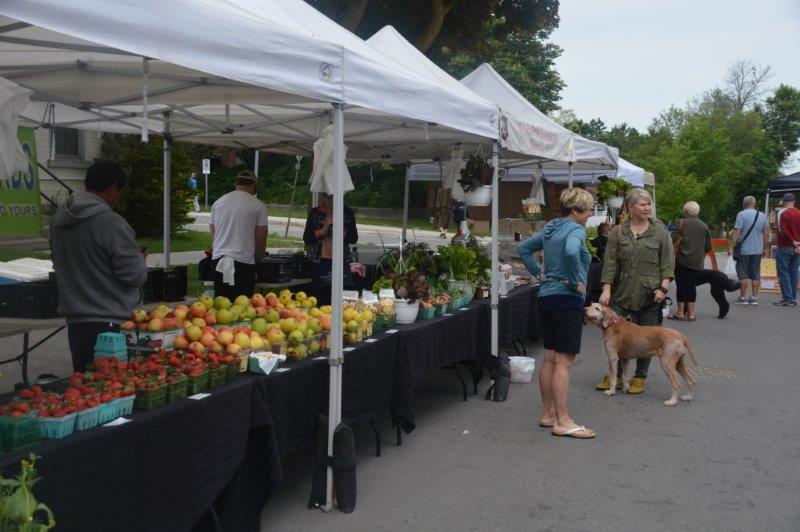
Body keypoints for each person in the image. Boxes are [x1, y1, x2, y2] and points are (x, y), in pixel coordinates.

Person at [50, 161, 148, 372]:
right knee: (114, 390)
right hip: (111, 323)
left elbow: (57, 260)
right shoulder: (111, 223)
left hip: (77, 323)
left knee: (87, 391)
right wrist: (140, 259)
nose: (117, 199)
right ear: (113, 188)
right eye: (118, 192)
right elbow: (133, 275)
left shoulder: (59, 221)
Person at [518, 188, 596, 439]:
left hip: (547, 297)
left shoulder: (552, 227)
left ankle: (548, 413)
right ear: (576, 211)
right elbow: (573, 252)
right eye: (588, 209)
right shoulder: (575, 230)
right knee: (564, 360)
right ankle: (563, 421)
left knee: (550, 357)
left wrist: (539, 274)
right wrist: (575, 282)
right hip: (566, 298)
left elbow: (524, 250)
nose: (590, 214)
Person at [595, 188, 674, 395]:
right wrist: (606, 288)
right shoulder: (618, 232)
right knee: (617, 336)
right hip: (622, 293)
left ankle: (640, 376)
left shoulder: (660, 230)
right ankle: (618, 377)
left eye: (649, 204)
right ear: (630, 208)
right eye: (642, 204)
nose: (647, 208)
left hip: (651, 294)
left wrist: (663, 287)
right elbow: (610, 262)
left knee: (647, 338)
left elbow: (667, 261)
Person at [209, 170, 268, 299]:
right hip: (243, 262)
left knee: (221, 307)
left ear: (236, 184)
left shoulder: (218, 203)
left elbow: (213, 233)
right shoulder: (258, 206)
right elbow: (260, 240)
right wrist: (258, 261)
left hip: (219, 261)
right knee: (242, 308)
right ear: (253, 186)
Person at [303, 194, 358, 289]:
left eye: (335, 198)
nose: (332, 201)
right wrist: (321, 232)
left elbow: (354, 238)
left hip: (341, 261)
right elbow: (307, 238)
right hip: (320, 261)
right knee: (321, 295)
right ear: (324, 196)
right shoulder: (315, 213)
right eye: (329, 198)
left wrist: (342, 233)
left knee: (344, 293)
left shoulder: (347, 212)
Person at [670, 201, 712, 320]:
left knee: (681, 286)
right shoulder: (704, 225)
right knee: (691, 286)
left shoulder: (680, 223)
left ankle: (681, 313)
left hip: (681, 260)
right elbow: (708, 246)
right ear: (697, 211)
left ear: (685, 211)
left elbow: (672, 240)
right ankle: (692, 314)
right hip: (696, 262)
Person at [728, 196, 769, 305]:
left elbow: (737, 232)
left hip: (744, 250)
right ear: (754, 204)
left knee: (743, 274)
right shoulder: (762, 216)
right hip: (757, 249)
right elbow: (766, 234)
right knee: (755, 274)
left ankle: (742, 298)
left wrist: (731, 247)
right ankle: (754, 298)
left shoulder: (741, 215)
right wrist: (765, 248)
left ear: (744, 204)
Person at [773, 193, 800, 306]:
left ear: (784, 202)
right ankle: (793, 297)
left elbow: (782, 230)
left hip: (785, 246)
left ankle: (787, 298)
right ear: (793, 201)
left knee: (783, 272)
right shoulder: (799, 213)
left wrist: (792, 241)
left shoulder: (781, 213)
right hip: (797, 248)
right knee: (794, 272)